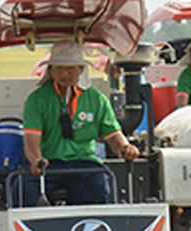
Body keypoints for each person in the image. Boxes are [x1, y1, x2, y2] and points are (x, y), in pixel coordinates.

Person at [22, 41, 139, 206]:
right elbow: (31, 140)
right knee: (24, 189)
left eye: (71, 68)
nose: (65, 74)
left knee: (99, 188)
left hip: (85, 164)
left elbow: (113, 136)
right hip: (49, 165)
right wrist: (36, 161)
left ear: (81, 70)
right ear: (51, 70)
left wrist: (126, 148)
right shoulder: (37, 100)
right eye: (59, 68)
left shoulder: (97, 99)